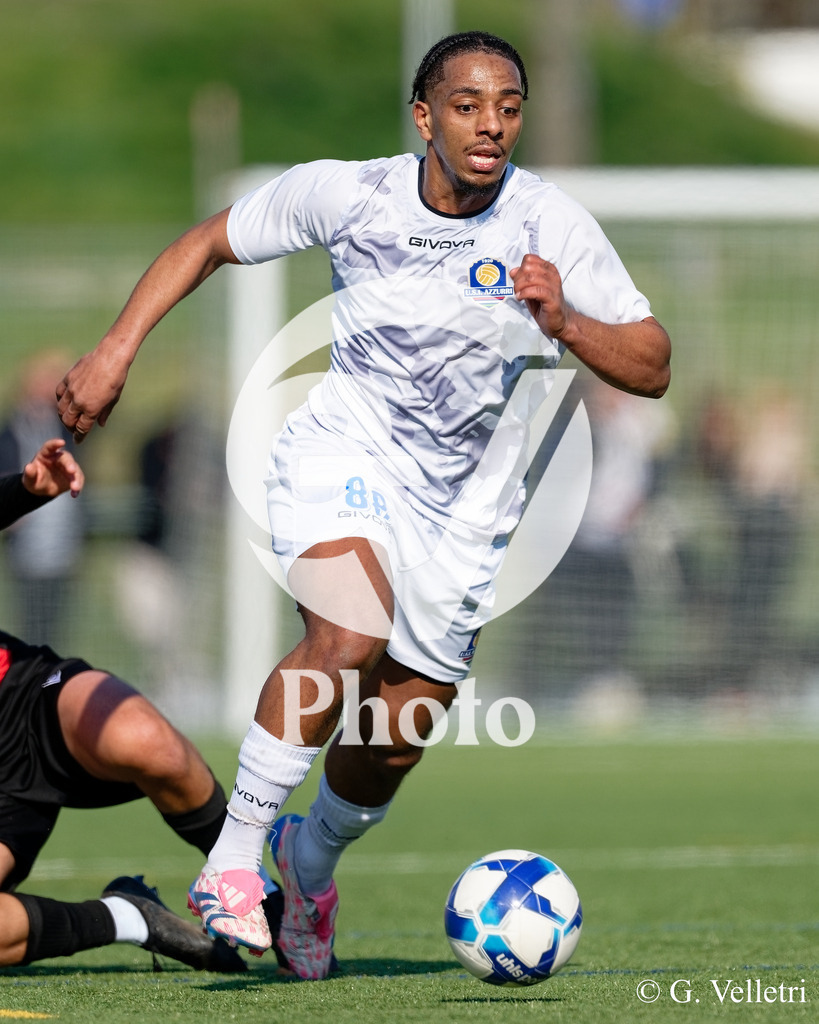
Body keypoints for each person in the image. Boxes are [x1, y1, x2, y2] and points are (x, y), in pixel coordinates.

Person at [55, 31, 671, 980]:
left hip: (465, 514)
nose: (491, 125)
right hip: (344, 453)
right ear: (424, 118)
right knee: (347, 634)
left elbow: (654, 362)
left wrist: (566, 322)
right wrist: (114, 350)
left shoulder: (553, 226)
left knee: (393, 735)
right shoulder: (350, 193)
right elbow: (209, 241)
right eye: (467, 105)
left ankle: (307, 866)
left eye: (507, 106)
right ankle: (230, 867)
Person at [0, 439, 247, 972]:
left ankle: (263, 891)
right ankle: (130, 918)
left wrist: (24, 490)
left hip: (21, 699)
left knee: (144, 740)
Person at [0, 349, 86, 648]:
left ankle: (48, 685)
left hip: (62, 547)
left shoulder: (63, 425)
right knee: (30, 631)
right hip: (27, 549)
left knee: (54, 634)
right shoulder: (11, 430)